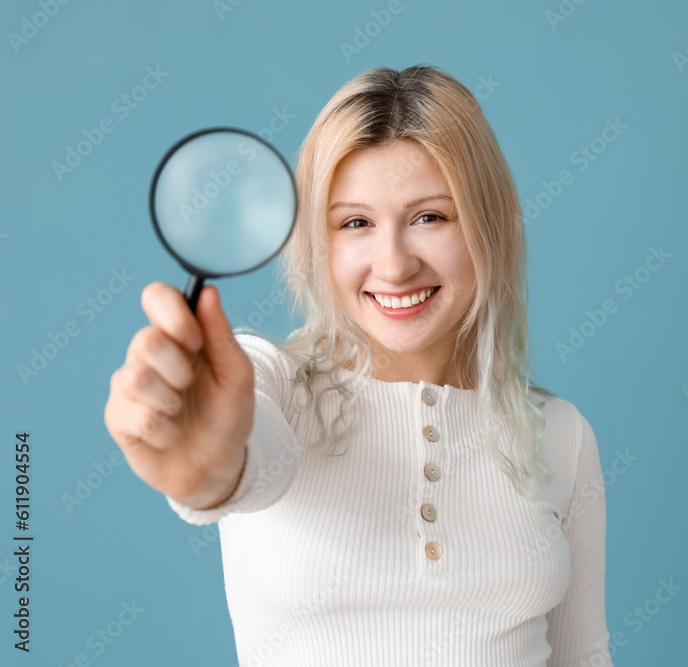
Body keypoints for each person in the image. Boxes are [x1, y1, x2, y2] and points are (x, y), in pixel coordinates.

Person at [103, 64, 611, 666]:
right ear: (318, 243)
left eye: (430, 217)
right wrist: (204, 467)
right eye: (356, 223)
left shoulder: (561, 434)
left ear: (490, 227)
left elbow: (585, 659)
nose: (394, 266)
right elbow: (240, 458)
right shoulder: (267, 383)